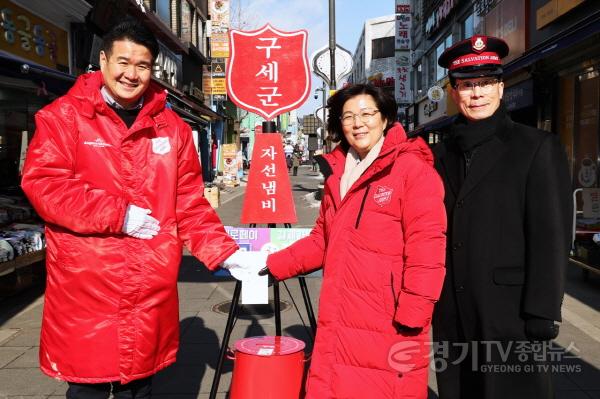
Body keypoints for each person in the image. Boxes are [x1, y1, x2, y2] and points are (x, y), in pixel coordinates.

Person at [20, 19, 245, 399]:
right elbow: (45, 184)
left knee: (139, 386)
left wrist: (224, 252)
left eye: (142, 65)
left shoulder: (170, 127)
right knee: (87, 387)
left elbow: (188, 201)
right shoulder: (63, 117)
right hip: (86, 283)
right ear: (103, 60)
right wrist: (118, 213)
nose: (131, 74)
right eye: (123, 62)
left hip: (149, 279)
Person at [259, 84, 447, 398]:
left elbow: (427, 247)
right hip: (341, 310)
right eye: (348, 117)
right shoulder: (339, 175)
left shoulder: (411, 170)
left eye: (366, 114)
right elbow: (323, 239)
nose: (358, 123)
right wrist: (272, 265)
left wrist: (414, 312)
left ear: (385, 118)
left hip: (389, 318)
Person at [432, 35, 572, 399]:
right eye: (466, 85)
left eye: (485, 83)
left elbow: (552, 235)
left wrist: (544, 310)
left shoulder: (536, 146)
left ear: (500, 86)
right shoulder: (439, 154)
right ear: (453, 90)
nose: (476, 93)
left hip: (511, 311)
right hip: (452, 309)